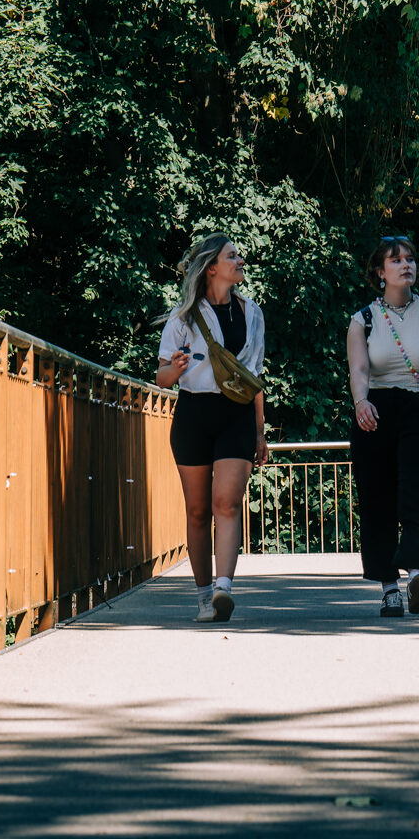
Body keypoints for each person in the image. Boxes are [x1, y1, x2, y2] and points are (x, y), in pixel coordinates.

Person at [346, 235, 419, 617]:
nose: (405, 265)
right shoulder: (362, 320)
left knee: (415, 494)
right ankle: (389, 587)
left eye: (410, 259)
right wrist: (361, 403)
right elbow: (359, 370)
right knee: (378, 499)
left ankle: (416, 574)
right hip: (377, 409)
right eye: (395, 261)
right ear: (381, 273)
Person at [156, 233, 269, 623]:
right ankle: (204, 595)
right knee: (198, 510)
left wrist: (259, 432)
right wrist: (176, 368)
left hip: (236, 414)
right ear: (212, 267)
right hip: (193, 415)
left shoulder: (252, 313)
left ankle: (224, 587)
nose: (240, 261)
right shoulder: (182, 317)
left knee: (227, 501)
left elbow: (253, 378)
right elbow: (162, 379)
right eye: (231, 256)